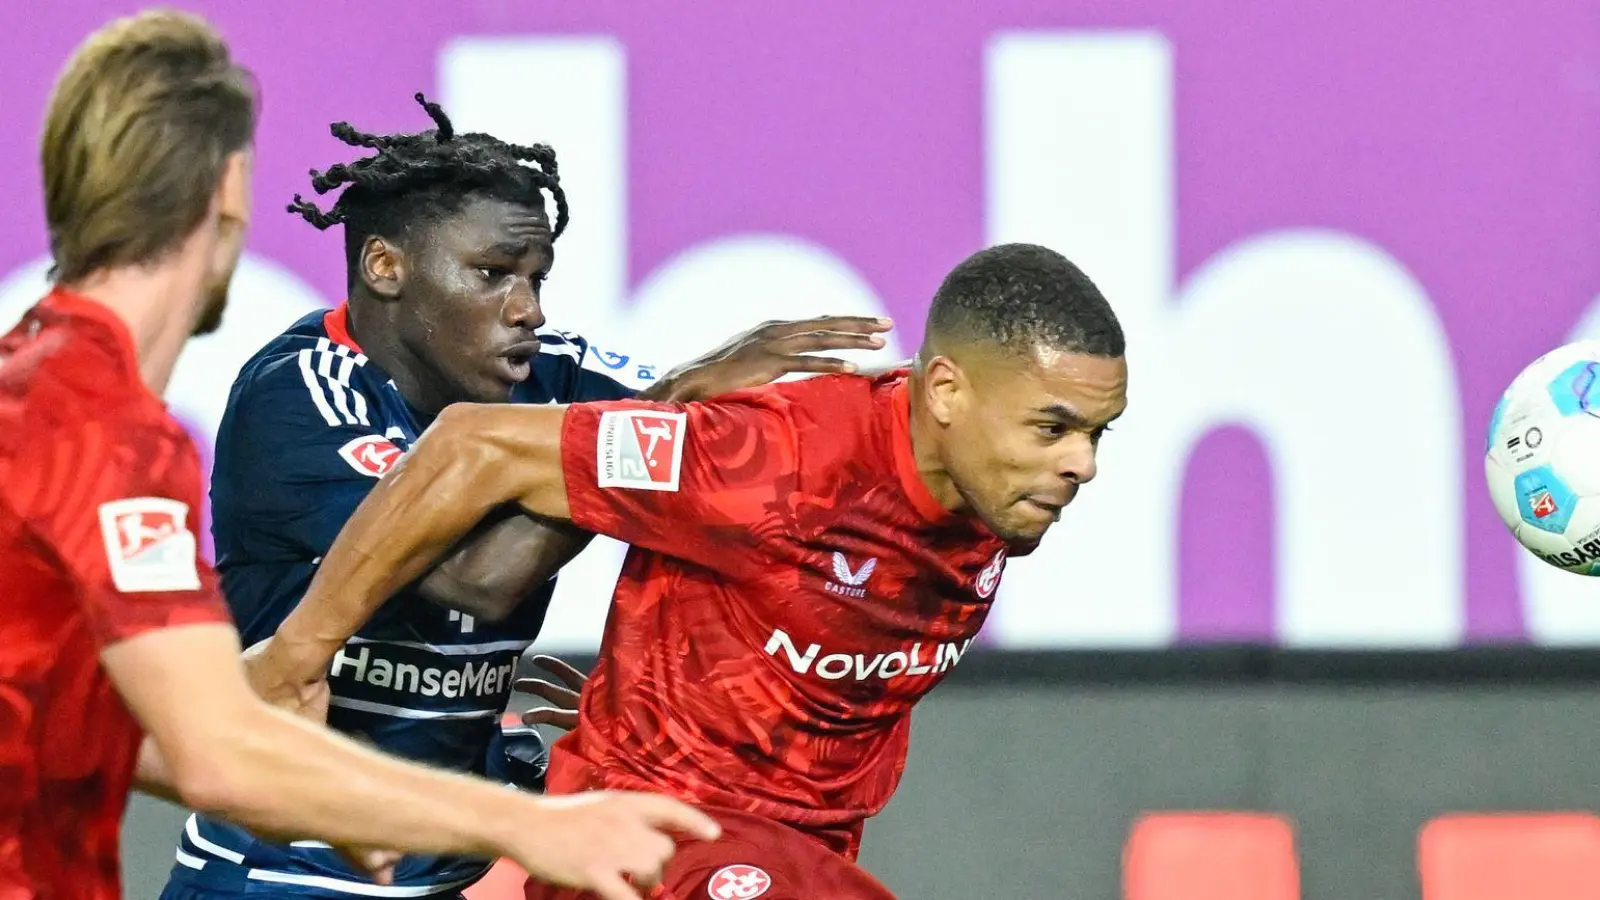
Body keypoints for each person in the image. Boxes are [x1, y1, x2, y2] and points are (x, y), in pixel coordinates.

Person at [0, 12, 718, 900]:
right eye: (496, 273)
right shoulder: (108, 432)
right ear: (229, 191)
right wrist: (521, 824)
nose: (524, 306)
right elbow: (217, 755)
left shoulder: (30, 384)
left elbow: (120, 731)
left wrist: (358, 795)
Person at [160, 93, 892, 900]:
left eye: (537, 278)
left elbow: (709, 443)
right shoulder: (299, 394)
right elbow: (472, 577)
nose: (528, 310)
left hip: (446, 874)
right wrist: (669, 406)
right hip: (281, 877)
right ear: (385, 267)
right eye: (493, 275)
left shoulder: (549, 371)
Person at [245, 241, 1129, 899]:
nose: (1082, 466)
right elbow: (473, 447)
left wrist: (649, 694)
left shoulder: (987, 492)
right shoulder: (772, 459)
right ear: (945, 394)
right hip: (644, 854)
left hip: (788, 858)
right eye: (1052, 429)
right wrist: (298, 652)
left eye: (1096, 434)